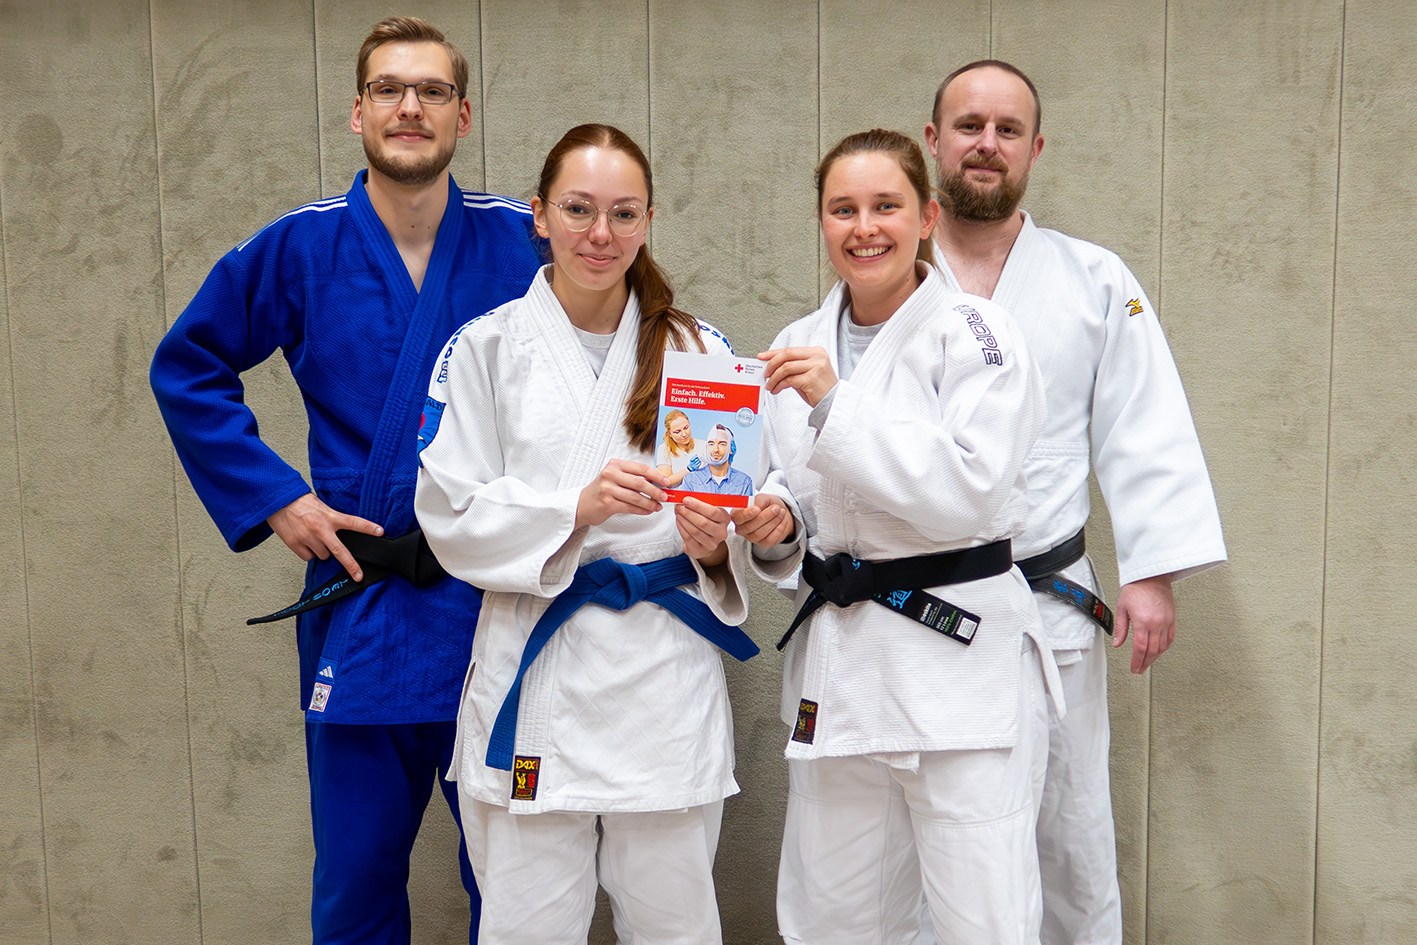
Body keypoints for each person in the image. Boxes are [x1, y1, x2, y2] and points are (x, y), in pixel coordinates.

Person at [148, 16, 543, 945]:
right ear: (356, 112)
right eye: (390, 90)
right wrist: (275, 496)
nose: (411, 107)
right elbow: (187, 364)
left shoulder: (523, 238)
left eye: (433, 91)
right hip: (364, 592)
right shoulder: (299, 246)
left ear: (464, 114)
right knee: (357, 877)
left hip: (498, 600)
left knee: (518, 872)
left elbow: (619, 352)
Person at [414, 123, 758, 945]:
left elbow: (749, 505)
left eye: (622, 213)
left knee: (675, 926)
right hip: (538, 669)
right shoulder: (485, 348)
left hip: (661, 678)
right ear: (539, 215)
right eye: (577, 209)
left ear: (647, 222)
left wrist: (718, 544)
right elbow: (448, 516)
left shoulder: (700, 352)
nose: (600, 234)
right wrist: (576, 507)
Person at [924, 61, 1227, 945]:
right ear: (933, 139)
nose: (986, 143)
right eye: (969, 125)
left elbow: (1145, 422)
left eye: (1006, 129)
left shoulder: (1092, 278)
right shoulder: (887, 273)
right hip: (915, 608)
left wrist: (1153, 573)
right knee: (926, 831)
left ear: (1033, 149)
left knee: (1067, 827)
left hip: (1045, 604)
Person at [732, 128, 1054, 944]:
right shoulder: (800, 340)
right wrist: (775, 530)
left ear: (926, 217)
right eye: (842, 209)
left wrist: (838, 404)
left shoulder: (977, 334)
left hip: (956, 656)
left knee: (981, 915)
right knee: (831, 912)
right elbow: (796, 492)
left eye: (885, 206)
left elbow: (965, 491)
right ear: (821, 221)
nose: (863, 226)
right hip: (843, 665)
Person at [678, 423, 754, 497]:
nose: (716, 450)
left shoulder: (744, 482)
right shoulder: (691, 480)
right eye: (711, 444)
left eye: (722, 444)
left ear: (731, 448)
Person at [656, 408, 706, 486]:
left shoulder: (704, 445)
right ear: (669, 433)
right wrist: (688, 469)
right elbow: (666, 483)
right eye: (677, 432)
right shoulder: (664, 449)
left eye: (686, 428)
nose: (684, 434)